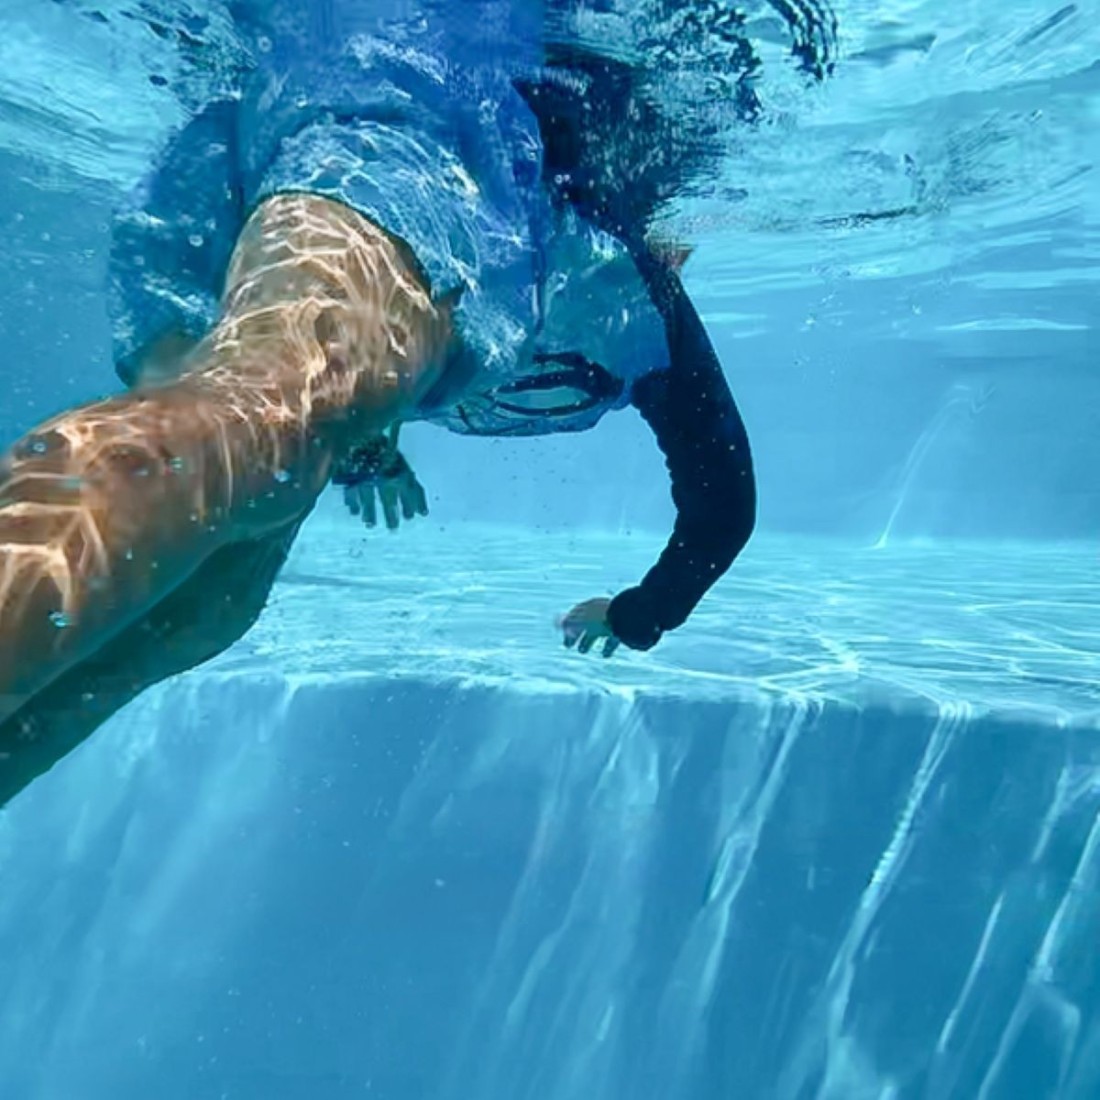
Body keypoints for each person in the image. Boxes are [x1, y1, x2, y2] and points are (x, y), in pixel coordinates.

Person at [0, 4, 757, 807]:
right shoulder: (626, 292)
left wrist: (367, 450)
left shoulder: (623, 310)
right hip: (400, 134)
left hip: (333, 171)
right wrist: (640, 616)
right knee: (254, 424)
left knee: (212, 602)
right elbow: (723, 502)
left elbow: (379, 361)